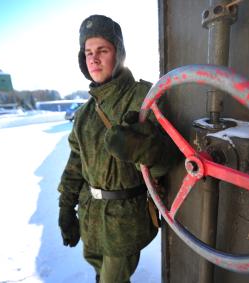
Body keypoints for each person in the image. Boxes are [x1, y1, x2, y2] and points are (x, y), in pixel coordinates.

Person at [57, 15, 174, 283]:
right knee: (100, 272)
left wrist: (147, 150)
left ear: (118, 54)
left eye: (102, 50)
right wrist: (65, 208)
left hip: (125, 220)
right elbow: (76, 163)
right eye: (88, 53)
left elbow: (169, 163)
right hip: (91, 215)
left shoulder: (143, 97)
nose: (94, 59)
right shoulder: (85, 113)